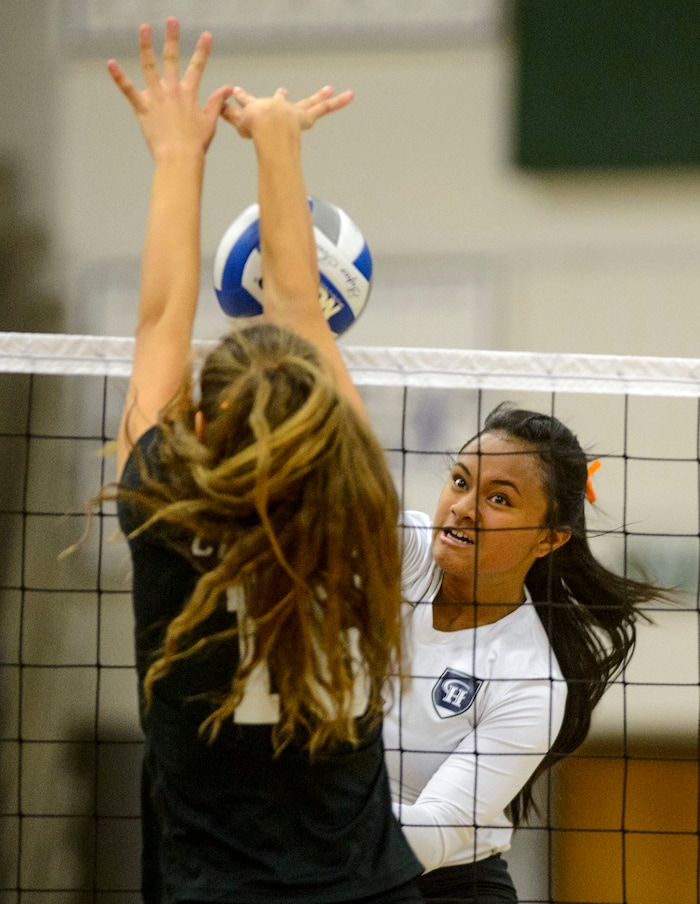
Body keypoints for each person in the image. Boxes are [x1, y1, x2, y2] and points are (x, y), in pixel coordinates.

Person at [105, 18, 424, 904]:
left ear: (200, 420)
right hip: (372, 891)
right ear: (324, 424)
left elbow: (162, 316)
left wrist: (181, 155)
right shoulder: (359, 507)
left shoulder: (169, 512)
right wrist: (274, 147)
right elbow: (298, 304)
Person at [381, 405, 664, 903]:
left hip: (442, 885)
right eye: (460, 480)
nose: (464, 506)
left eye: (498, 499)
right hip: (331, 856)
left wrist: (310, 805)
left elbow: (431, 836)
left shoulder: (529, 678)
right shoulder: (405, 551)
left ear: (548, 539)